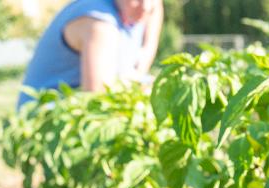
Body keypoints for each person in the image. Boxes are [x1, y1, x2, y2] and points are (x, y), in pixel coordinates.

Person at [18, 0, 163, 108]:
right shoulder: (99, 23)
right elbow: (97, 100)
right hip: (48, 120)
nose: (146, 6)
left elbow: (145, 53)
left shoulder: (147, 9)